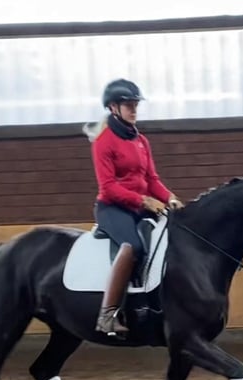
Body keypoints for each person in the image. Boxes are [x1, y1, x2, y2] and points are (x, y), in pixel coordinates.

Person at [84, 78, 184, 337]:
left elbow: (151, 180)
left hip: (140, 207)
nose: (134, 109)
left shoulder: (141, 140)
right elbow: (108, 188)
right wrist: (143, 200)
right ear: (113, 108)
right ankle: (107, 314)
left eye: (135, 104)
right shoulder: (104, 142)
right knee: (134, 247)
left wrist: (170, 197)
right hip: (112, 208)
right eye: (128, 105)